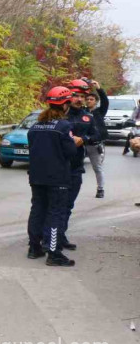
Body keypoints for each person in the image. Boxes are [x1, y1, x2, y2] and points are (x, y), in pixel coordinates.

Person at [27, 86, 80, 266]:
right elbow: (71, 152)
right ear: (64, 105)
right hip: (57, 178)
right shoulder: (64, 126)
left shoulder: (35, 127)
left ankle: (34, 248)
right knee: (55, 214)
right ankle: (54, 253)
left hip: (36, 177)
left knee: (37, 210)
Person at [62, 79, 101, 251]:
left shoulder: (88, 116)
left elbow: (97, 136)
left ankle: (60, 235)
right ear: (69, 96)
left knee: (68, 205)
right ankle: (44, 238)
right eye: (75, 95)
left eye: (82, 96)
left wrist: (83, 139)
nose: (79, 99)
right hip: (58, 166)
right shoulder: (59, 114)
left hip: (76, 167)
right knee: (53, 205)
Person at [84, 79, 108, 198]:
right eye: (87, 99)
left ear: (96, 101)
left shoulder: (99, 112)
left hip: (94, 143)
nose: (89, 101)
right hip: (81, 143)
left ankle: (100, 189)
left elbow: (105, 102)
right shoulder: (82, 112)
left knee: (97, 167)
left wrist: (98, 88)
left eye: (91, 99)